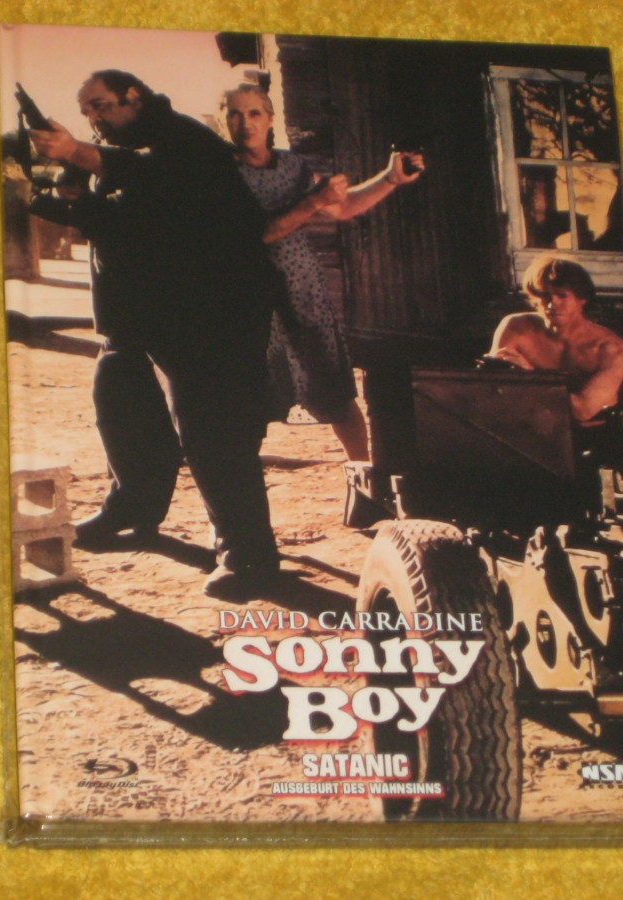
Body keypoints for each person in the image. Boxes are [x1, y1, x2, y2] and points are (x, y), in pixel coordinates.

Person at [27, 71, 287, 598]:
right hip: (135, 317)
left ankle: (248, 554)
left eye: (101, 105)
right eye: (86, 111)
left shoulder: (184, 139)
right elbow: (122, 220)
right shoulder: (118, 151)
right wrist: (61, 196)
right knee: (121, 406)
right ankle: (132, 508)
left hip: (205, 317)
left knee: (213, 434)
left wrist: (75, 152)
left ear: (135, 98)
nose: (93, 118)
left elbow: (152, 177)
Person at [222, 83, 425, 461]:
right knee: (250, 403)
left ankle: (363, 477)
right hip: (249, 302)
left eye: (254, 113)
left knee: (336, 394)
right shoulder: (217, 173)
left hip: (303, 293)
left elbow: (342, 207)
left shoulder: (293, 167)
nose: (245, 122)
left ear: (270, 120)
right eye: (235, 114)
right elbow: (259, 234)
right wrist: (314, 201)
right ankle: (241, 487)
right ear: (224, 121)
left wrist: (390, 178)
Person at [489, 255, 623, 423]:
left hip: (590, 432)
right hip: (525, 424)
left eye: (562, 295)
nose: (551, 304)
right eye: (545, 296)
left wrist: (530, 376)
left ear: (582, 299)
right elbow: (491, 389)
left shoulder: (612, 350)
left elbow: (582, 411)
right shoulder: (515, 327)